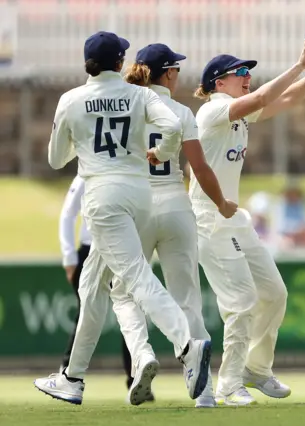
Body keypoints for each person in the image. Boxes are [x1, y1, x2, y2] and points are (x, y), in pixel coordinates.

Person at [33, 31, 212, 406]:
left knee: (134, 277)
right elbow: (173, 126)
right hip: (140, 193)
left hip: (102, 196)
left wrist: (82, 145)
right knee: (93, 287)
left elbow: (55, 159)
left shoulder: (71, 99)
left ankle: (187, 344)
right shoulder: (140, 94)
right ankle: (72, 378)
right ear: (119, 63)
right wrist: (161, 152)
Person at [190, 31, 305, 406]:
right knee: (241, 301)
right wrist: (298, 65)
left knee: (274, 293)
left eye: (247, 71)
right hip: (208, 217)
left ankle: (256, 369)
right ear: (218, 83)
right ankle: (228, 384)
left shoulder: (239, 113)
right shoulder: (213, 109)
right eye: (239, 71)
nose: (246, 75)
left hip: (234, 217)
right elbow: (263, 96)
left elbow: (285, 99)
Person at [118, 42, 238, 408]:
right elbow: (200, 169)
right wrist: (222, 203)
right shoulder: (181, 111)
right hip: (175, 205)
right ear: (168, 73)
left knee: (125, 292)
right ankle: (203, 394)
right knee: (187, 298)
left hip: (136, 205)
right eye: (177, 71)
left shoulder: (126, 107)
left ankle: (141, 357)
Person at [57, 174, 134, 391]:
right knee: (87, 312)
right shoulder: (86, 173)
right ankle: (68, 372)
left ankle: (134, 377)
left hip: (119, 248)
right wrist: (69, 257)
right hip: (90, 248)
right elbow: (68, 214)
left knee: (129, 311)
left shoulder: (125, 168)